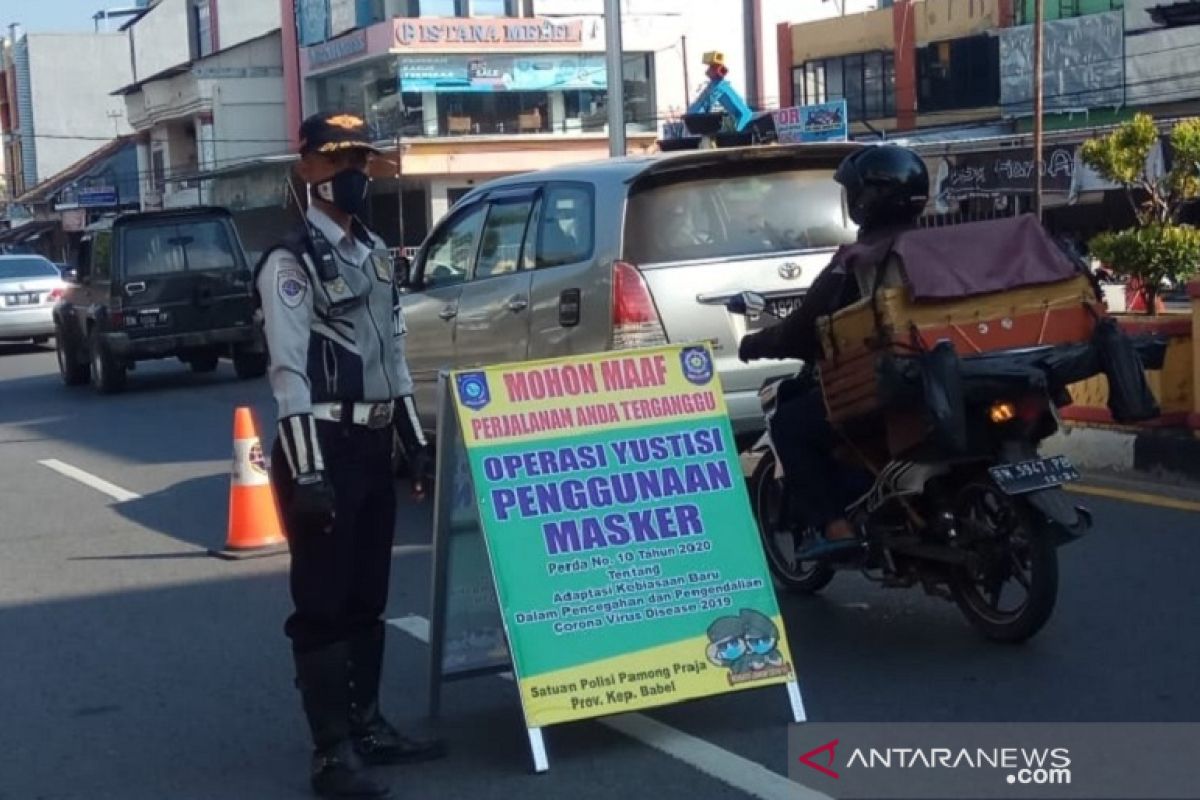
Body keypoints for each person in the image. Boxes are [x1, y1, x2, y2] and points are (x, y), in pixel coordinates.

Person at [258, 111, 444, 799]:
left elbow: (392, 356)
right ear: (307, 169)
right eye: (338, 163)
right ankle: (332, 753)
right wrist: (306, 469)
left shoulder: (372, 252)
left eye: (361, 161)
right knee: (324, 599)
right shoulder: (291, 260)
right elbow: (288, 373)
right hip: (322, 443)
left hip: (370, 442)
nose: (354, 175)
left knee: (368, 594)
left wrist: (414, 447)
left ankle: (367, 725)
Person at [737, 145, 930, 560]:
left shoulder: (858, 262)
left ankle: (836, 525)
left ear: (864, 200)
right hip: (957, 379)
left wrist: (756, 343)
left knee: (790, 424)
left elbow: (802, 328)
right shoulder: (944, 247)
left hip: (891, 386)